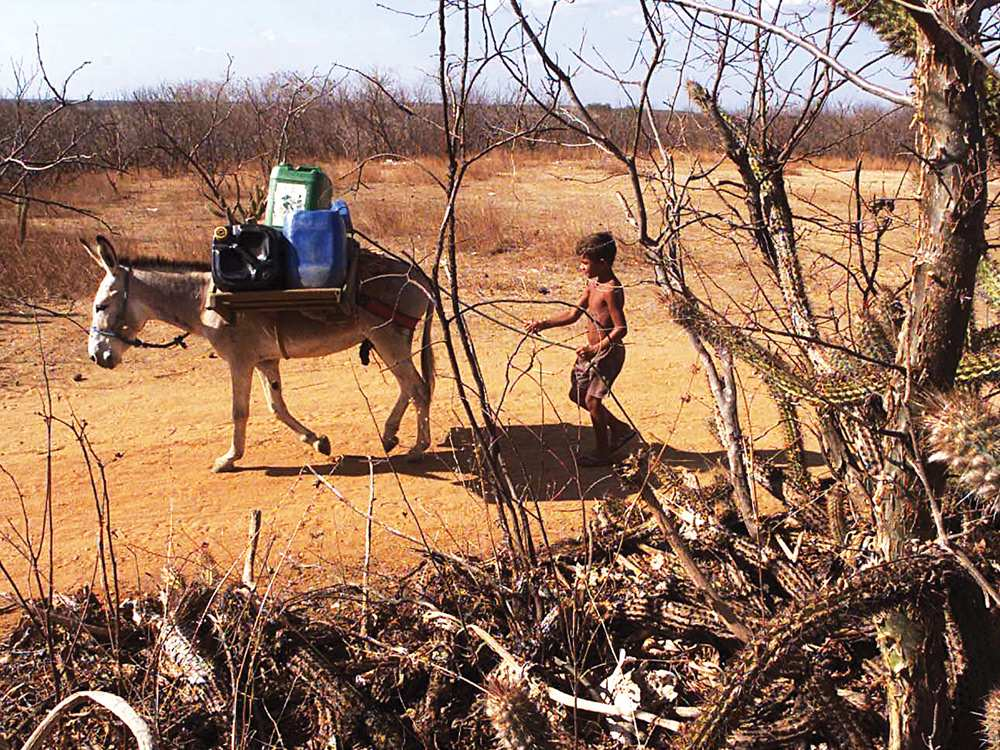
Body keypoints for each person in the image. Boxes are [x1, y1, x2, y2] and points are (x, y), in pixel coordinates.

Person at [526, 231, 634, 466]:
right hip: (591, 353)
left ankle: (603, 453)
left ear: (602, 262)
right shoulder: (592, 284)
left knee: (593, 401)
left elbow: (621, 328)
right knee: (577, 394)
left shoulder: (611, 290)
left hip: (608, 354)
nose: (581, 267)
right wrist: (542, 324)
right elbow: (573, 313)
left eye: (585, 263)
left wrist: (596, 349)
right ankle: (619, 429)